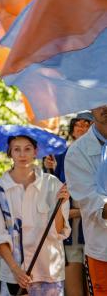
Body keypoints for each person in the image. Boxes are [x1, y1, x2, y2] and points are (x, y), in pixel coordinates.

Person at [0, 125, 70, 296]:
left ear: (35, 151)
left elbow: (59, 231)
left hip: (49, 273)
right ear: (10, 153)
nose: (22, 154)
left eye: (27, 149)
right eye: (17, 149)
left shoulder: (53, 184)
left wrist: (60, 205)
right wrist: (17, 271)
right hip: (14, 276)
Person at [43, 111, 93, 296]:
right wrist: (50, 169)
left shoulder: (100, 155)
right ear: (72, 129)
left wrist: (81, 211)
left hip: (94, 230)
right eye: (78, 124)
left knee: (95, 288)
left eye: (87, 124)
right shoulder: (61, 155)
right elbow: (54, 194)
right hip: (70, 231)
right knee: (73, 289)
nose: (82, 128)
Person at [65, 105, 107, 295]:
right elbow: (92, 204)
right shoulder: (76, 153)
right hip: (102, 253)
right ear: (90, 105)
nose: (105, 105)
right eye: (99, 99)